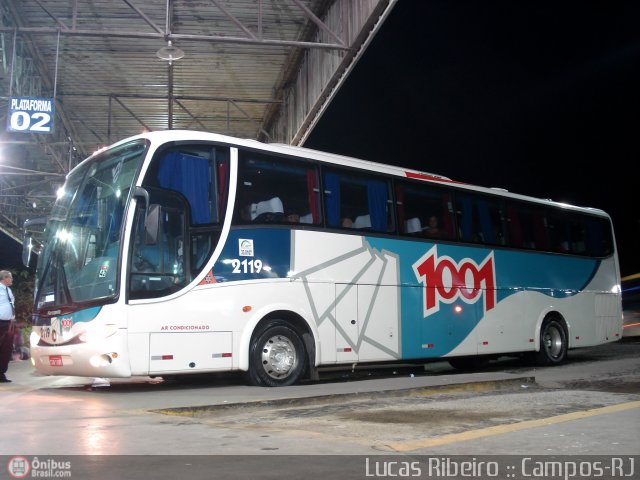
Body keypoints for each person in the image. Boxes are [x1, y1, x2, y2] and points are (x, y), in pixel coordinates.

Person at [0, 270, 16, 383]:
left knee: (7, 349)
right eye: (10, 277)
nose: (11, 279)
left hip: (8, 323)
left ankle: (1, 374)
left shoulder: (8, 290)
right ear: (4, 278)